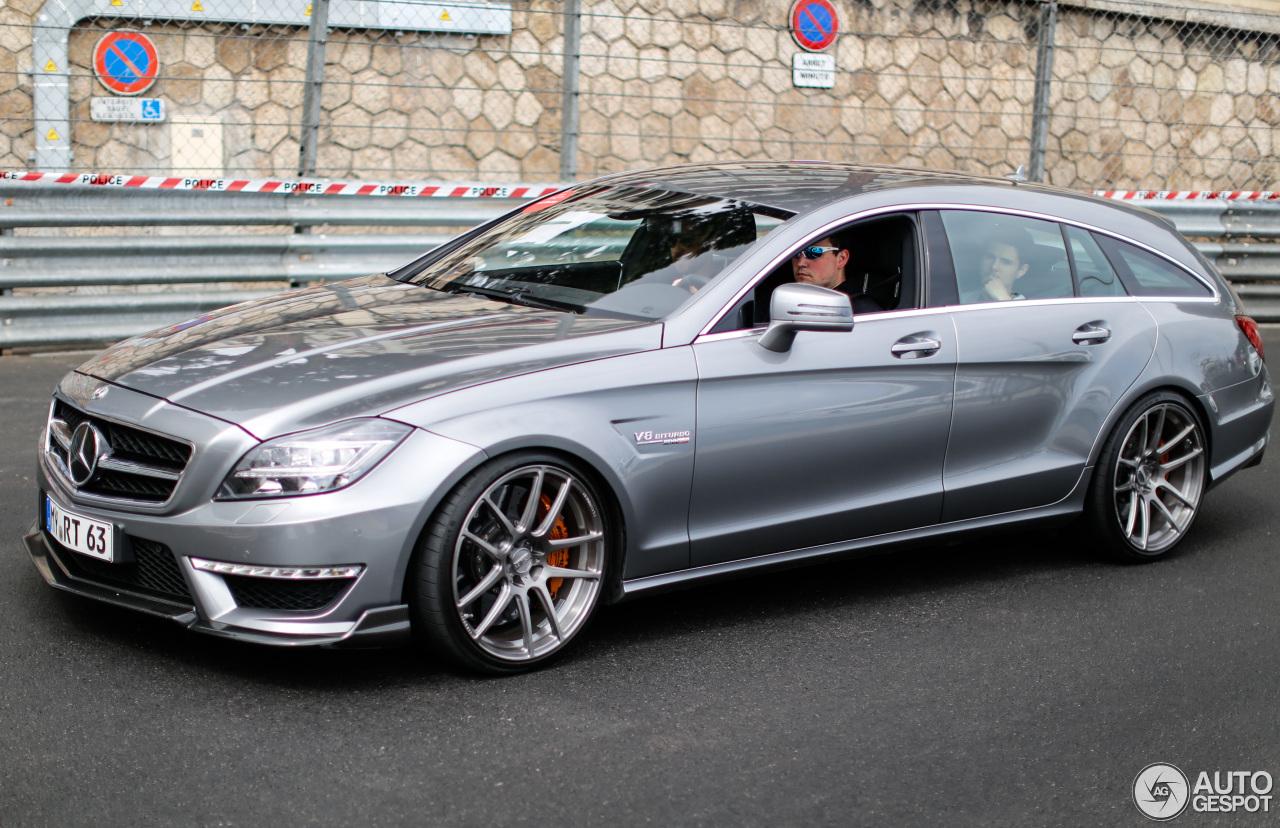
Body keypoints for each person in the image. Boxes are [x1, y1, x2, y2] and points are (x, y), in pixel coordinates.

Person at [791, 235, 882, 313]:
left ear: (841, 259)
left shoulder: (861, 314)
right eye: (795, 252)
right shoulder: (790, 302)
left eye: (813, 252)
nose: (800, 262)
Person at [973, 228, 1033, 302]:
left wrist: (1002, 298)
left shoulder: (1028, 308)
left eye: (1005, 262)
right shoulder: (960, 299)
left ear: (1021, 270)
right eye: (990, 257)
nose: (994, 266)